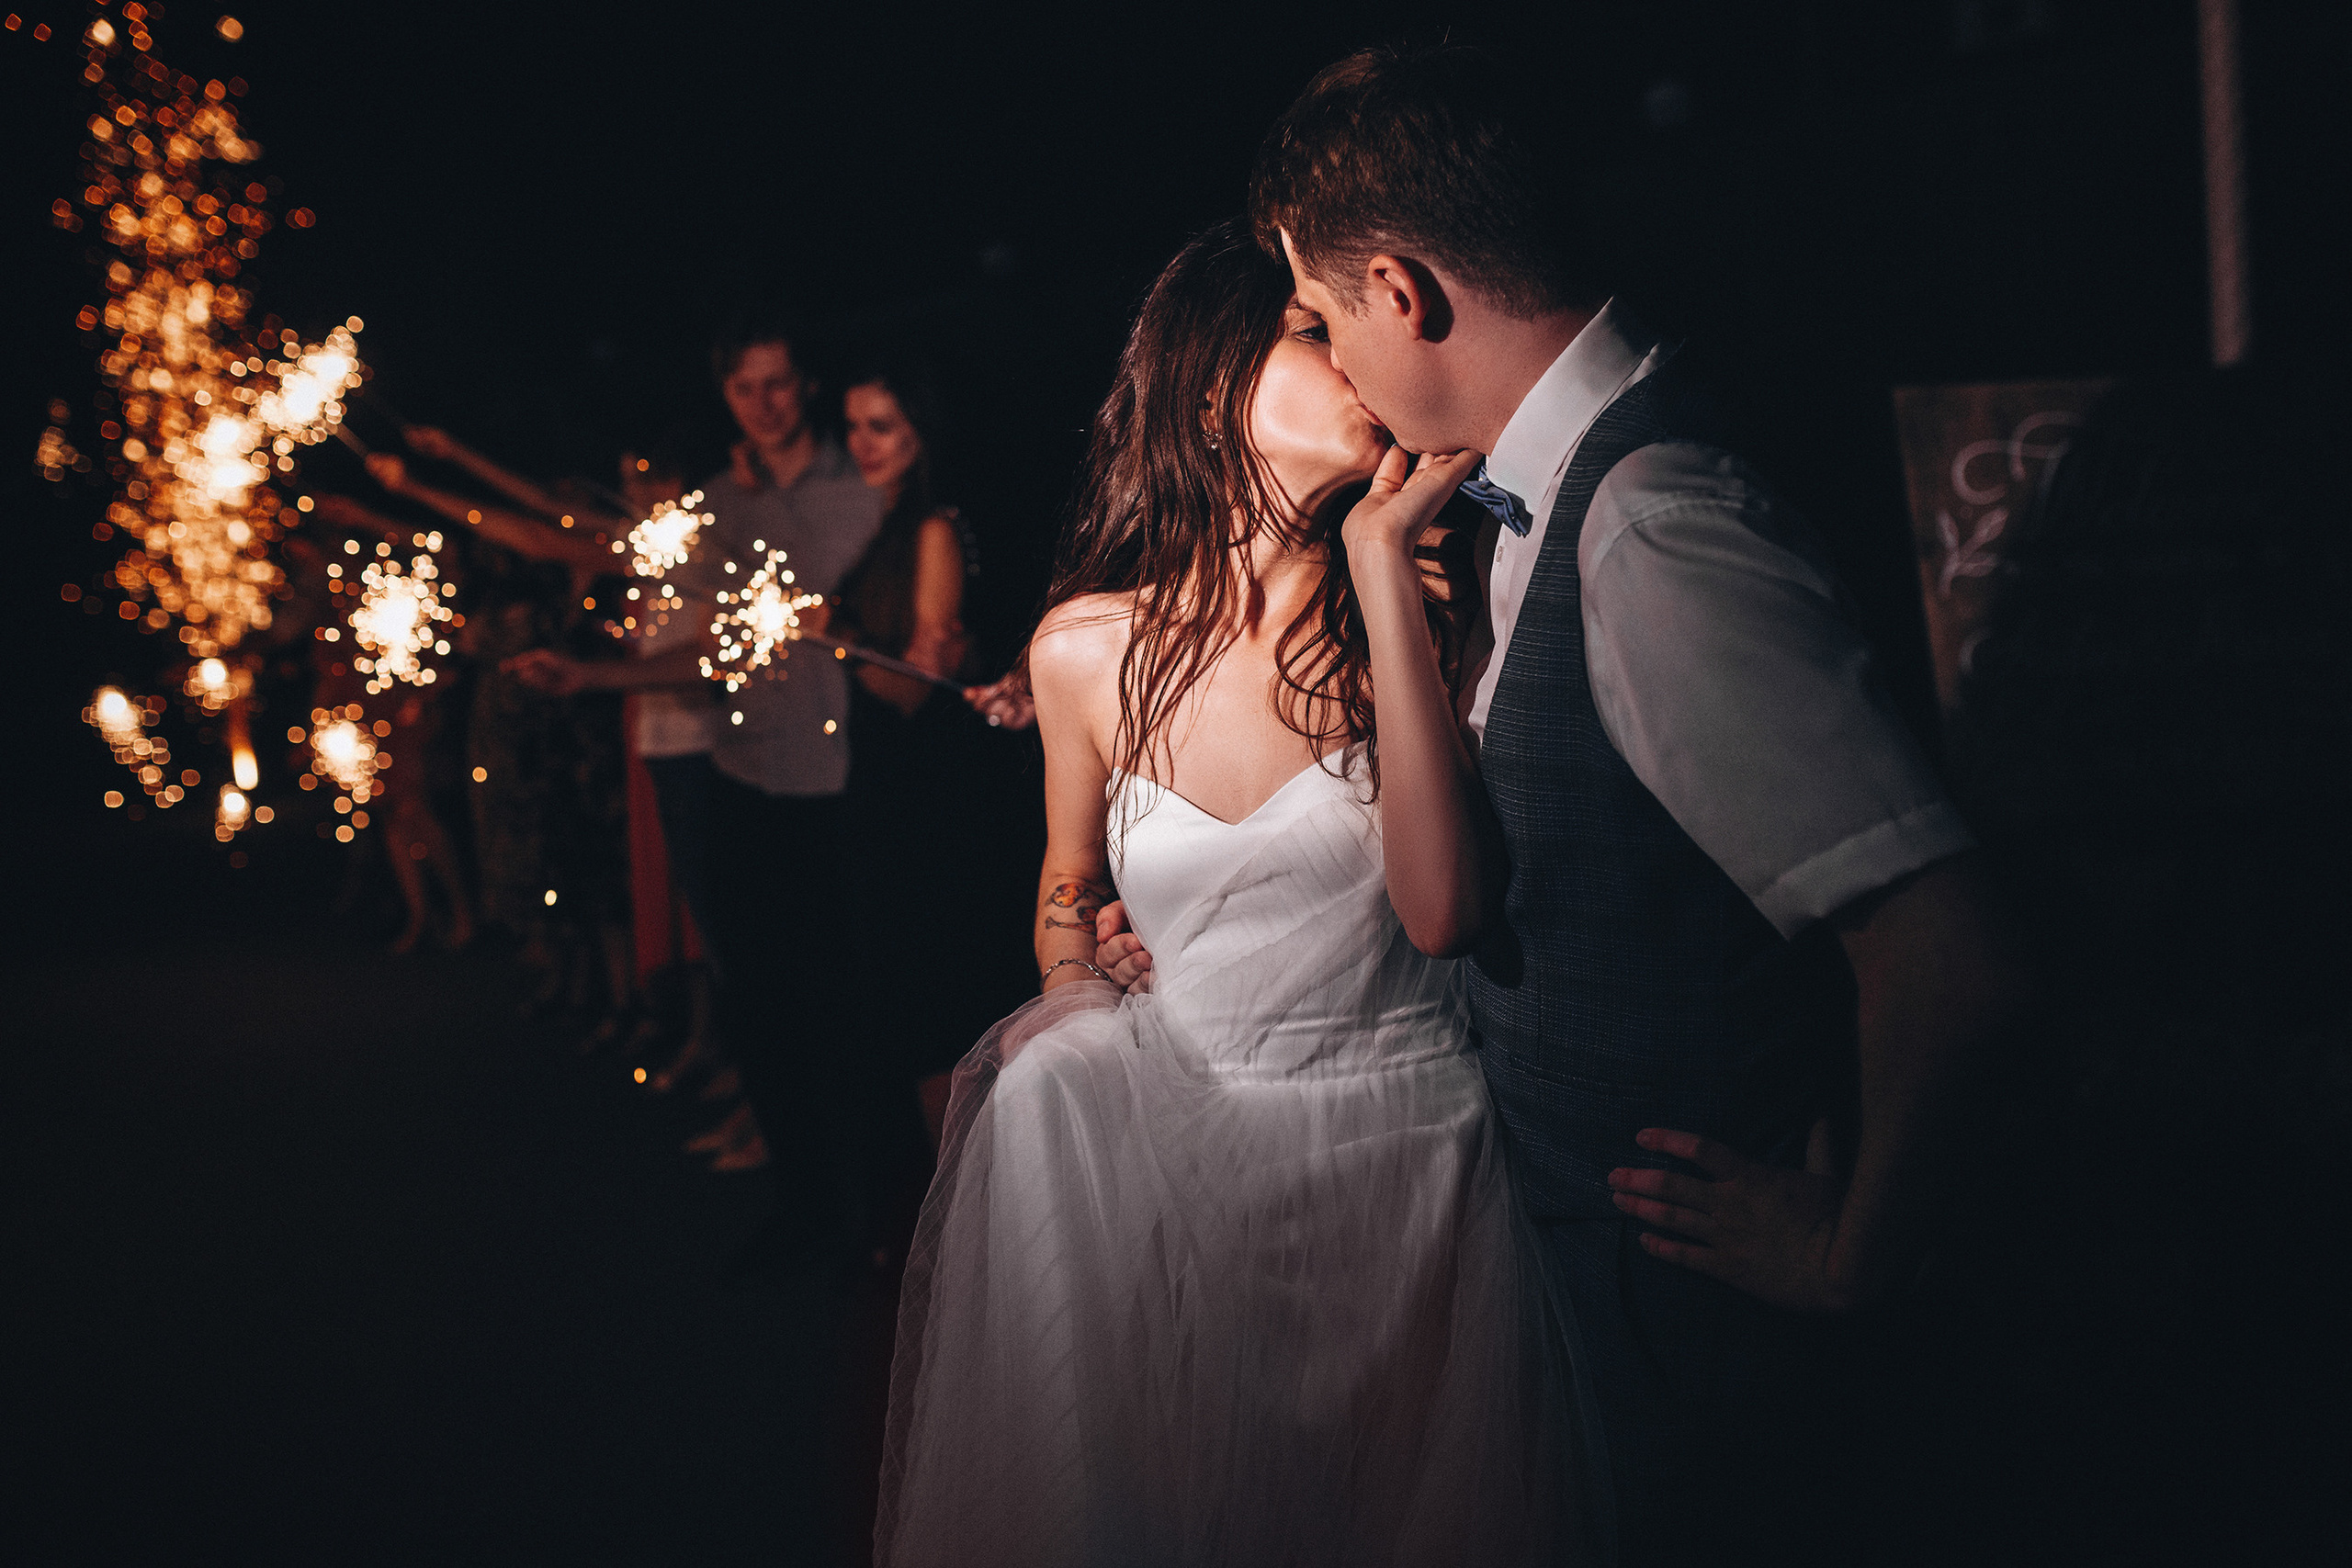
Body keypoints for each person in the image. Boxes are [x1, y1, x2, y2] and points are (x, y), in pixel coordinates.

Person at [1234, 44, 2030, 1566]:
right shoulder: (1537, 499)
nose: (1337, 359)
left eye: (1328, 317)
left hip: (1707, 1330)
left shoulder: (1649, 531)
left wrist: (1852, 1248)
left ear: (1400, 290)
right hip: (1606, 1295)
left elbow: (1954, 953)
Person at [876, 220, 1576, 1566]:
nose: (1361, 358)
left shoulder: (1432, 615)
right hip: (1183, 1171)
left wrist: (1382, 571)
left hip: (1414, 1173)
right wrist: (1086, 979)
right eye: (1312, 334)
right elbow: (1065, 900)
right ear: (1213, 390)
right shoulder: (1083, 650)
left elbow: (1445, 916)